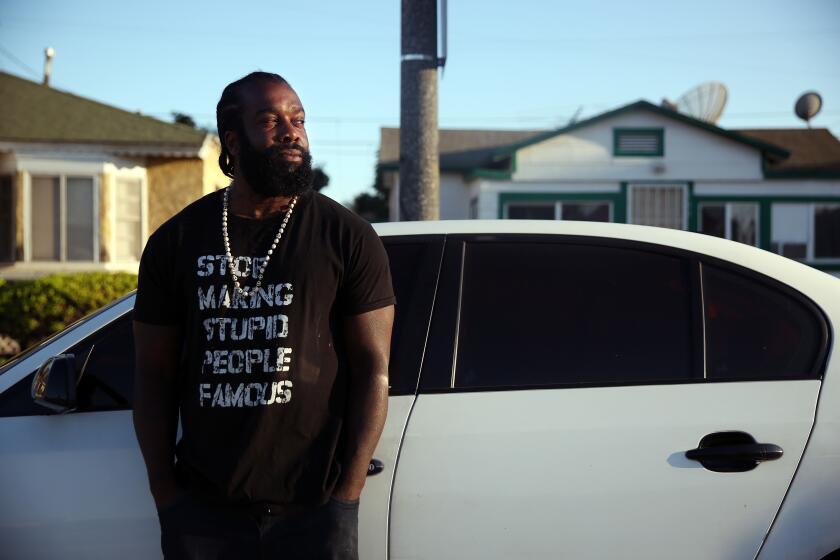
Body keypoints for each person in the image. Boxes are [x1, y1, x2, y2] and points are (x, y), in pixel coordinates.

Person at [132, 71, 395, 560]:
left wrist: (346, 498)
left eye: (297, 119)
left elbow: (373, 370)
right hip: (205, 512)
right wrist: (166, 496)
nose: (291, 131)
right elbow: (153, 372)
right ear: (234, 139)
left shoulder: (348, 237)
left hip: (315, 510)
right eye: (270, 121)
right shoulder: (177, 241)